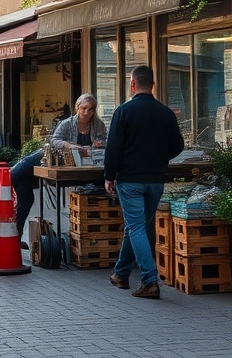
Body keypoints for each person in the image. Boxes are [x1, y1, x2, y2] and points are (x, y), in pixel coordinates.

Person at [104, 65, 183, 299]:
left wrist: (109, 175)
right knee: (136, 226)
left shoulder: (124, 111)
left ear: (133, 83)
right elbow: (178, 146)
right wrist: (159, 158)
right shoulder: (166, 113)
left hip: (129, 180)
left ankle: (149, 280)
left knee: (136, 227)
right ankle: (120, 274)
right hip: (156, 180)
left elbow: (113, 148)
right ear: (152, 85)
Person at [12, 93, 107, 248]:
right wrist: (71, 145)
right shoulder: (67, 123)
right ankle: (14, 238)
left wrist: (99, 144)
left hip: (76, 166)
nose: (87, 112)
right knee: (25, 201)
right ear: (77, 108)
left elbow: (104, 141)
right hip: (29, 167)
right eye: (83, 108)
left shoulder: (98, 125)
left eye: (91, 109)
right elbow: (54, 140)